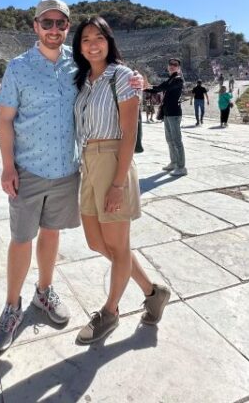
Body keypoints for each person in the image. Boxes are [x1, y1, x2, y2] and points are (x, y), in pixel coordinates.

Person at [0, 0, 145, 352]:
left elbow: (113, 75)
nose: (54, 29)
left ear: (66, 28)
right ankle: (11, 308)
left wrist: (136, 79)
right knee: (21, 238)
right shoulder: (18, 67)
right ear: (36, 26)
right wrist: (8, 165)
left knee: (51, 233)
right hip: (28, 168)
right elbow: (5, 119)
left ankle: (44, 291)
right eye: (48, 23)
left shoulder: (76, 66)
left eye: (61, 24)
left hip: (66, 169)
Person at [72, 17, 171, 344]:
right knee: (98, 243)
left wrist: (117, 184)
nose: (92, 44)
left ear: (109, 41)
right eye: (85, 39)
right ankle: (152, 292)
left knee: (117, 244)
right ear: (80, 46)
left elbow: (129, 133)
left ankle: (110, 311)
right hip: (88, 161)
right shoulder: (83, 81)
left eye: (98, 37)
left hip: (113, 158)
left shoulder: (124, 76)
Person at [145, 58, 187, 176]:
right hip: (168, 114)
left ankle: (181, 167)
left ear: (179, 68)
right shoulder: (170, 79)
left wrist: (146, 87)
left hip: (174, 114)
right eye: (170, 64)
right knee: (170, 140)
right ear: (168, 67)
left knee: (177, 140)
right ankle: (173, 162)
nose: (172, 66)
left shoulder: (178, 79)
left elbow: (162, 88)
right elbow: (159, 87)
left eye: (175, 65)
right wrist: (144, 88)